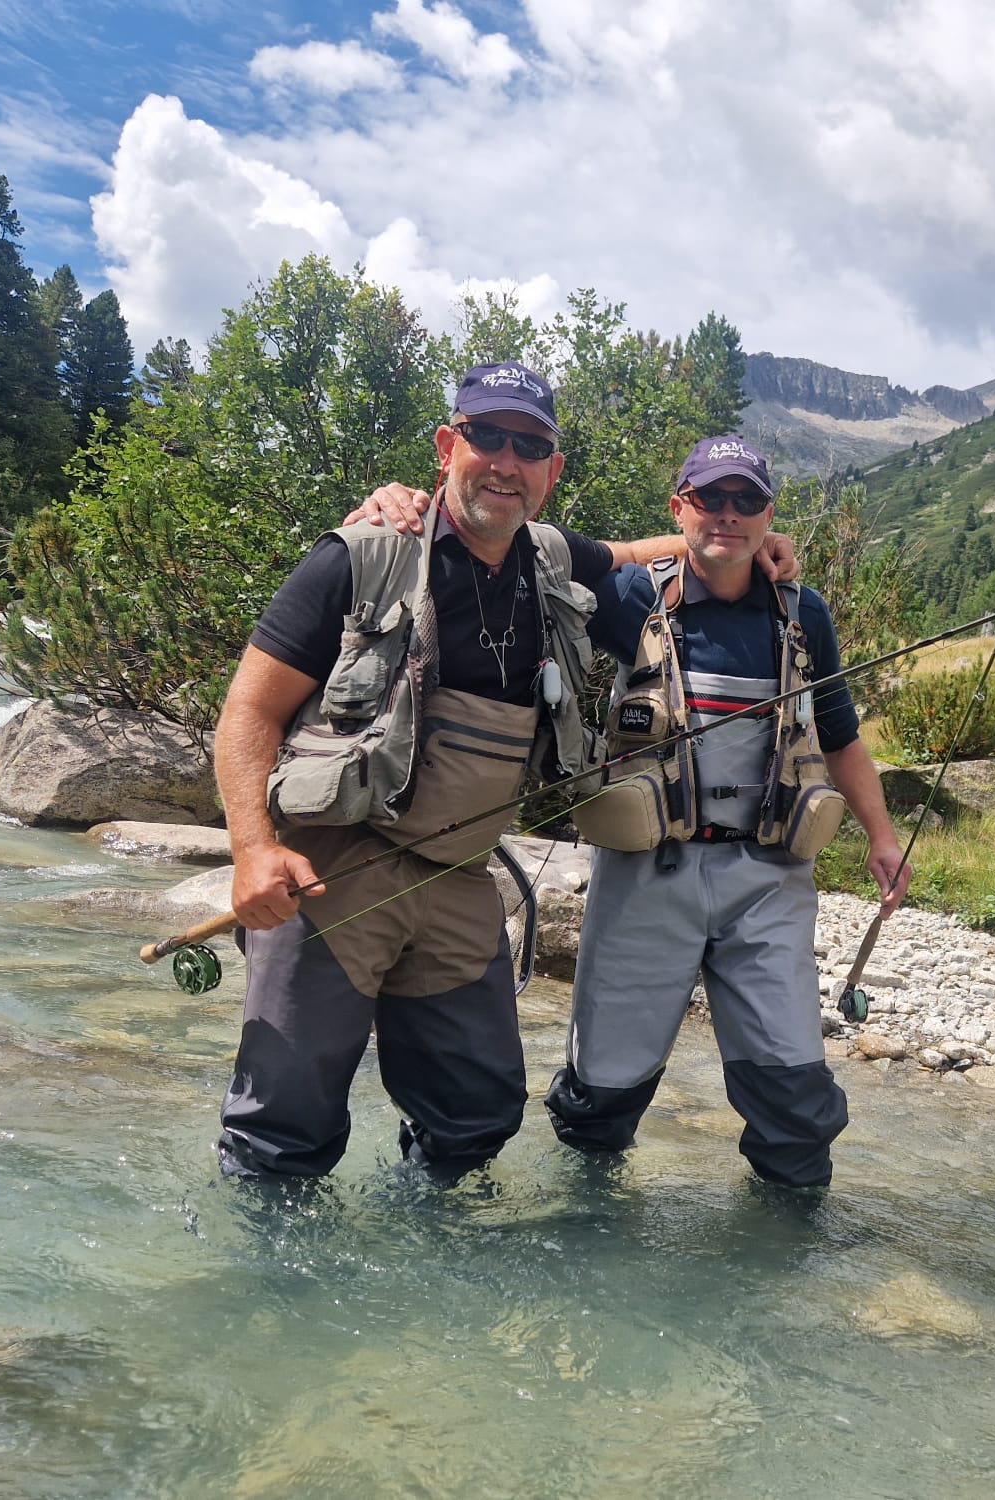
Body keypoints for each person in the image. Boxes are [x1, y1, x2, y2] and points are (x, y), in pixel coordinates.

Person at [211, 364, 796, 1180]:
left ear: (552, 473)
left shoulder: (551, 559)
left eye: (531, 446)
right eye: (486, 436)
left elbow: (643, 549)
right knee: (283, 1128)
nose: (505, 460)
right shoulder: (364, 556)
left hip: (457, 880)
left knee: (477, 1115)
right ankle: (270, 1287)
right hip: (335, 871)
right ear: (449, 445)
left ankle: (422, 1255)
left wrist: (746, 538)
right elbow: (249, 711)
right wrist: (251, 850)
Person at [545, 435, 911, 1189]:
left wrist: (883, 836)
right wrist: (676, 543)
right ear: (680, 505)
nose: (730, 514)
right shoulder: (635, 595)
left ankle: (782, 1272)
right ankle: (582, 1244)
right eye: (710, 499)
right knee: (598, 1102)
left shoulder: (804, 612)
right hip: (646, 879)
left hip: (769, 882)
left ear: (771, 512)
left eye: (748, 502)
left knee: (797, 1108)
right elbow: (535, 555)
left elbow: (840, 736)